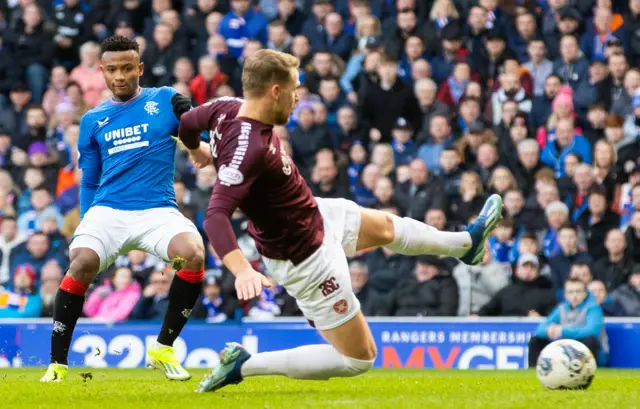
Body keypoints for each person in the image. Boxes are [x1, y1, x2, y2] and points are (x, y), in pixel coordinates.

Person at [176, 49, 503, 393]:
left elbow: (186, 124)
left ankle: (466, 244)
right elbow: (214, 217)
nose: (298, 97)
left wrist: (196, 150)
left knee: (389, 228)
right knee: (359, 359)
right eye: (295, 88)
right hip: (304, 257)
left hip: (313, 212)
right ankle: (246, 364)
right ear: (275, 90)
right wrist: (242, 269)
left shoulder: (225, 108)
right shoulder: (249, 152)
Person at [41, 35, 206, 383]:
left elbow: (193, 130)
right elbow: (89, 180)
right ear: (101, 70)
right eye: (112, 69)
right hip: (108, 212)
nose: (120, 76)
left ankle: (163, 348)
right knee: (82, 263)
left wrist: (193, 130)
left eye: (127, 68)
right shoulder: (92, 120)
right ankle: (57, 364)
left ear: (140, 68)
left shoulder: (163, 100)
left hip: (157, 210)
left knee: (192, 255)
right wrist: (87, 221)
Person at [528, 278, 608, 367]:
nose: (575, 295)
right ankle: (534, 371)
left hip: (592, 354)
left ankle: (588, 370)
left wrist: (563, 331)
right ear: (565, 295)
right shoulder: (561, 308)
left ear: (585, 294)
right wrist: (548, 331)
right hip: (565, 352)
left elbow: (592, 330)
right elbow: (539, 329)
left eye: (578, 291)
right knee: (536, 339)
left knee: (590, 340)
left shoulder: (593, 308)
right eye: (571, 292)